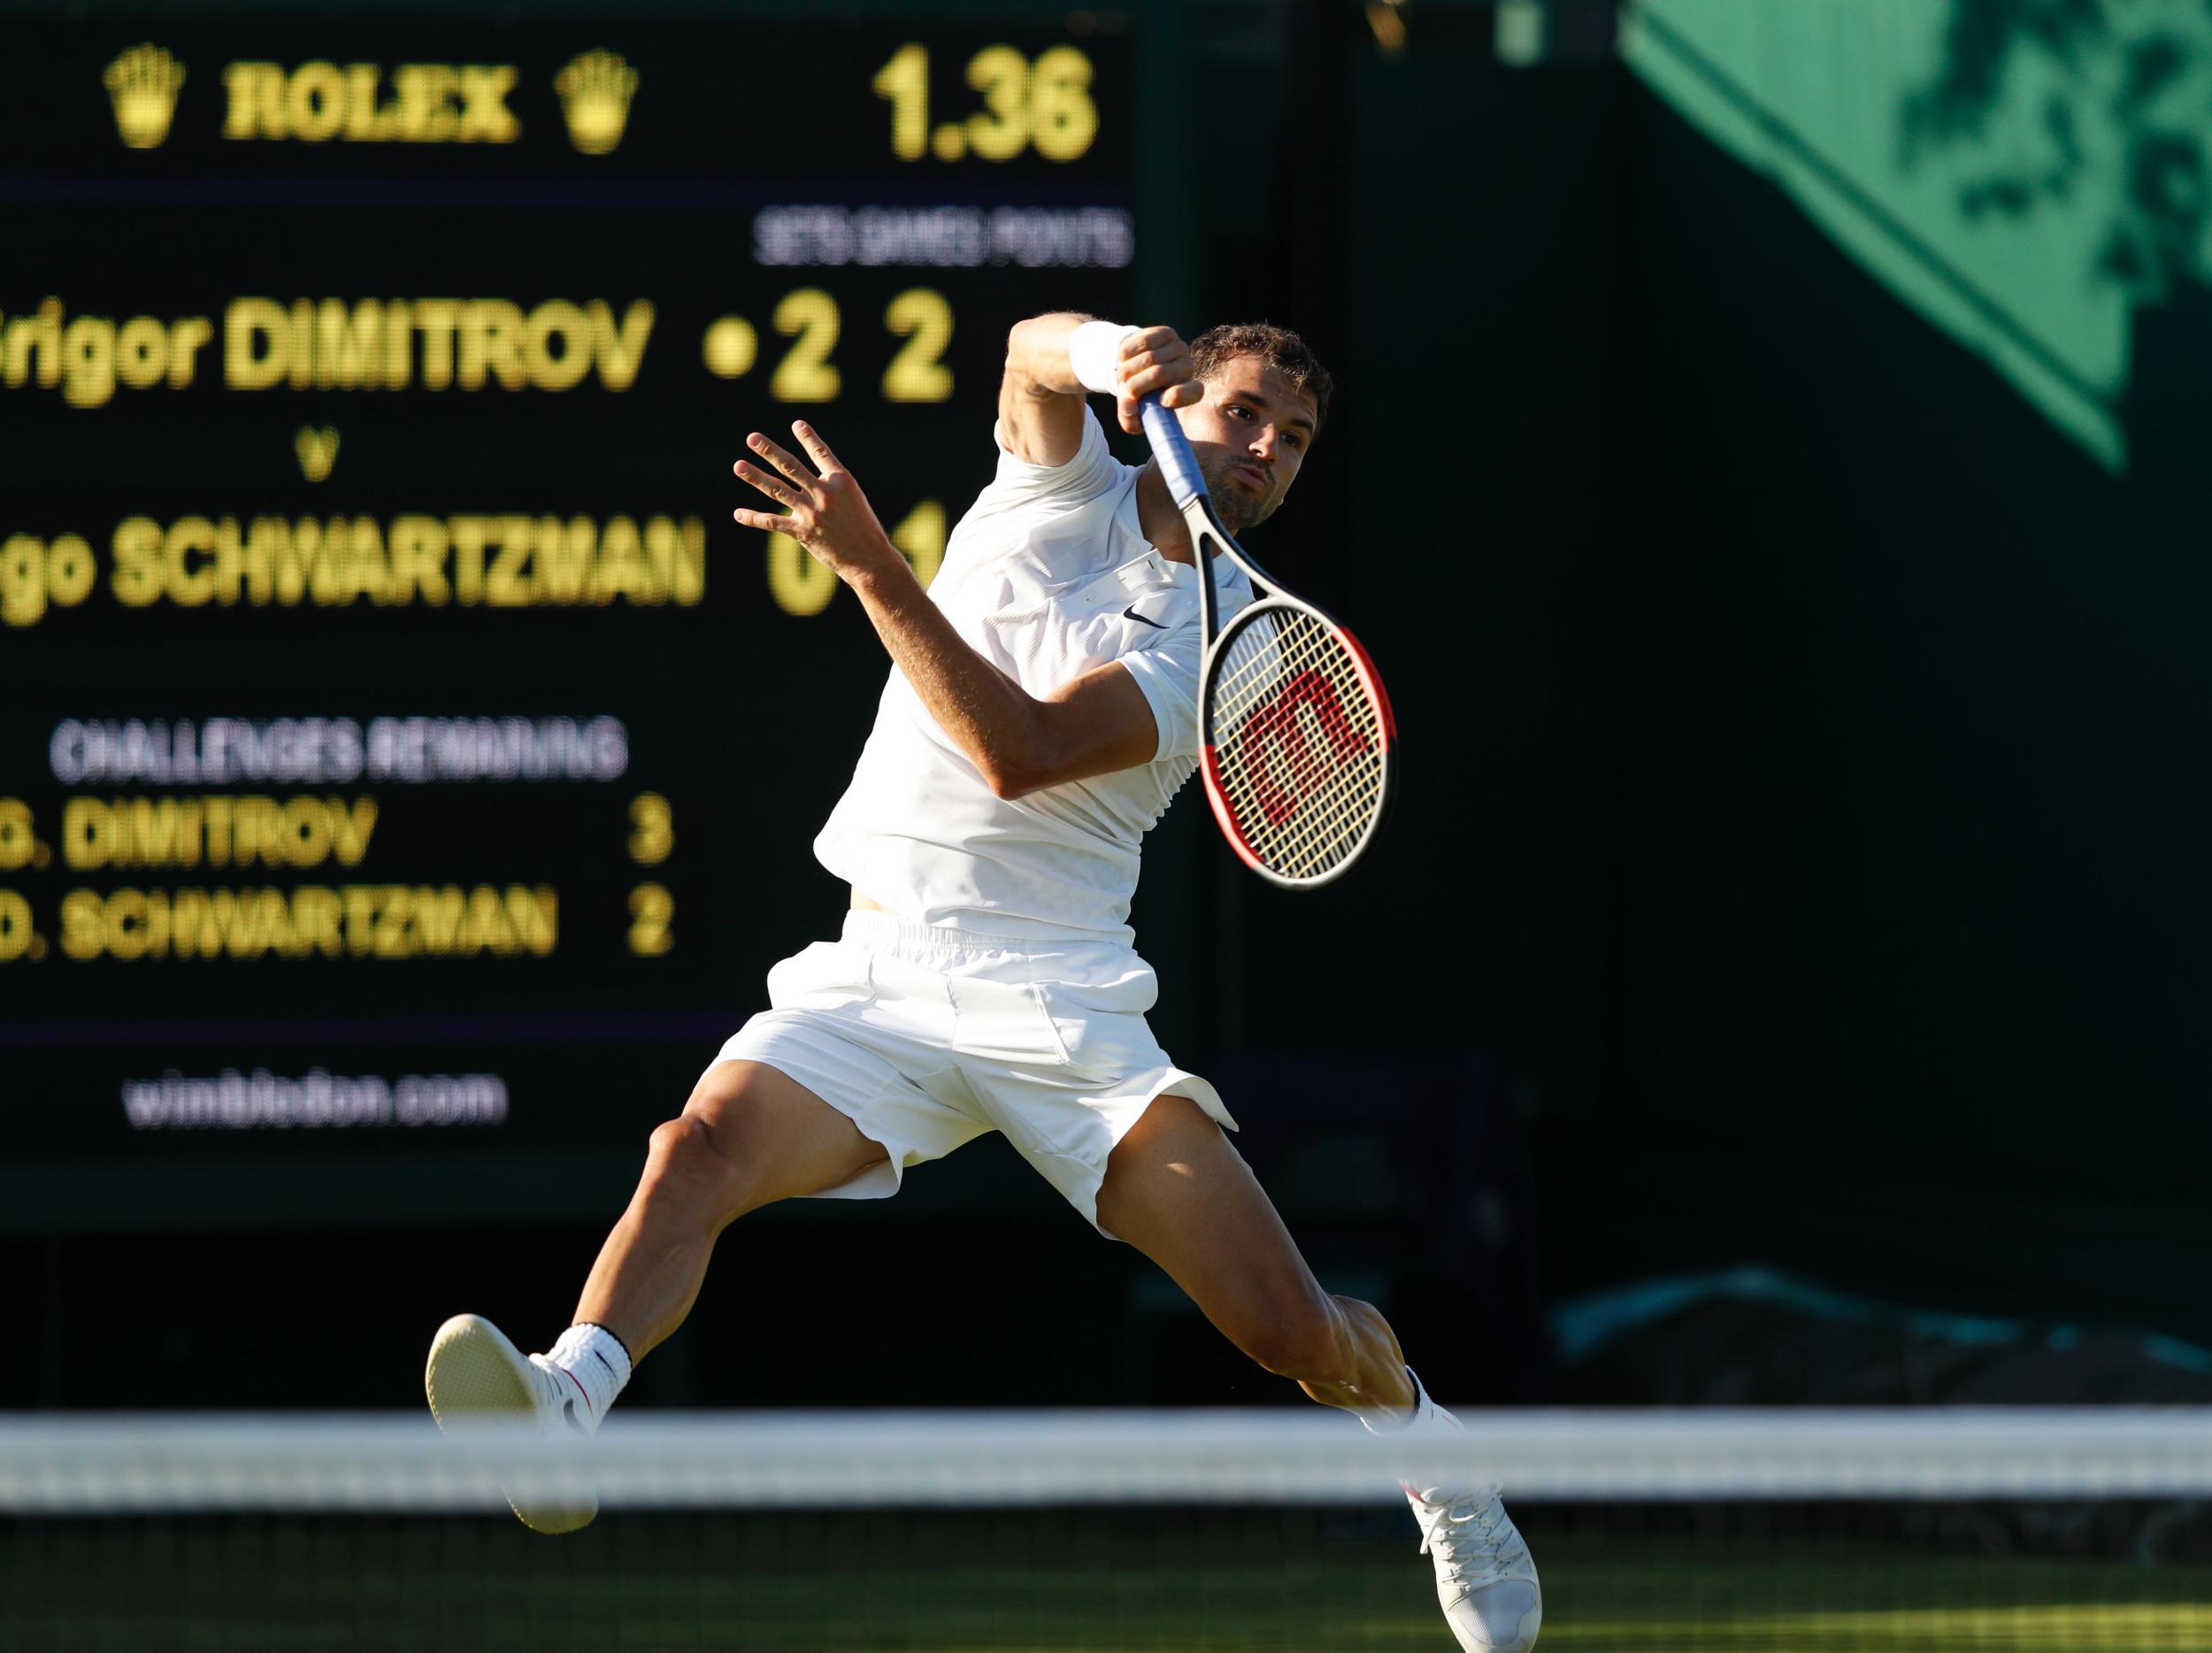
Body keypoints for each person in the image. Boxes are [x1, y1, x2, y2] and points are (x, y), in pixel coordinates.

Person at [424, 314, 1541, 1652]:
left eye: (1293, 439)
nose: (1265, 448)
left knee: (1288, 1331)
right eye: (1242, 411)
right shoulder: (1052, 487)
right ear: (1171, 402)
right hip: (879, 972)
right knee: (695, 1148)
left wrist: (871, 567)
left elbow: (1017, 753)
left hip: (1063, 1010)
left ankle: (1433, 1454)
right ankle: (567, 1402)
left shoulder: (1222, 643)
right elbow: (1028, 352)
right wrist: (1107, 347)